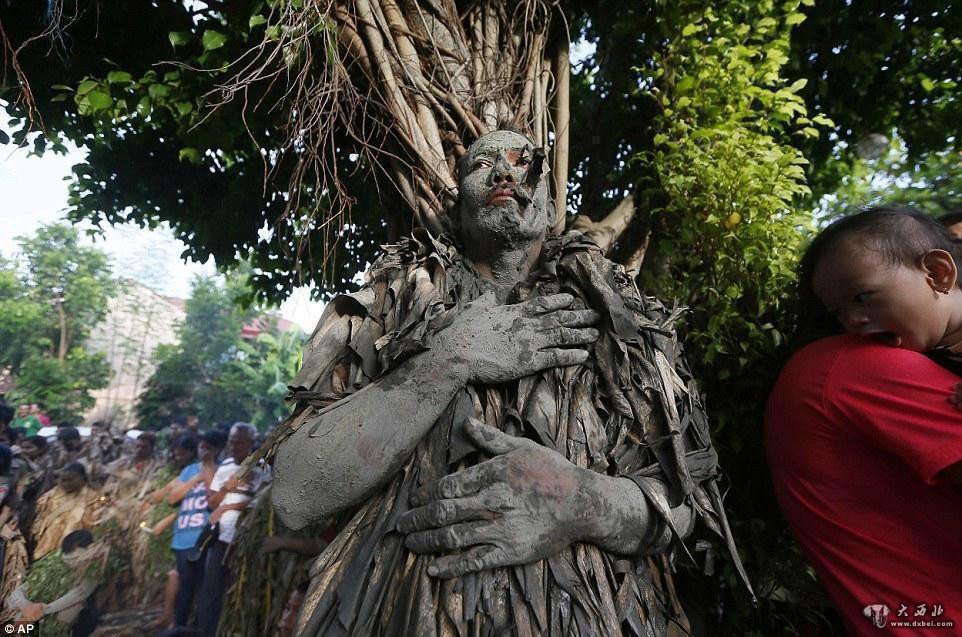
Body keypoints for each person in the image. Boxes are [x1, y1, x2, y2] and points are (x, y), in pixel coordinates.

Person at [273, 129, 745, 635]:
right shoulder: (388, 303)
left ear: (551, 204)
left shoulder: (622, 316)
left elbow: (685, 505)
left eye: (523, 162)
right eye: (482, 165)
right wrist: (448, 359)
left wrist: (579, 501)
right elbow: (295, 492)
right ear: (458, 209)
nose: (503, 171)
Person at [766, 208, 962, 636]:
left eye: (863, 297)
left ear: (937, 273)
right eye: (839, 312)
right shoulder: (865, 367)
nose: (853, 322)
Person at [195, 422, 270, 635]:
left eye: (239, 443)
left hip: (245, 538)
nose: (234, 447)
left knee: (235, 589)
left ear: (251, 443)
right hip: (220, 537)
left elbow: (262, 503)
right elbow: (212, 503)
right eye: (231, 442)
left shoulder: (262, 468)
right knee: (211, 590)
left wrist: (229, 506)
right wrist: (227, 489)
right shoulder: (225, 466)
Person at [166, 430, 225, 630]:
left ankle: (198, 629)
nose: (203, 450)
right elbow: (172, 498)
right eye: (201, 446)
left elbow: (213, 498)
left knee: (203, 589)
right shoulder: (189, 470)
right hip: (183, 537)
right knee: (185, 588)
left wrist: (207, 468)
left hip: (204, 538)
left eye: (208, 447)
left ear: (218, 449)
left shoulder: (222, 470)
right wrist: (196, 478)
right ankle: (179, 628)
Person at [4, 529, 106, 636]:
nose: (71, 562)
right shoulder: (52, 564)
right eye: (68, 558)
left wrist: (38, 612)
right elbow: (19, 592)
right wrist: (26, 606)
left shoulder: (92, 569)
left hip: (71, 625)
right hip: (34, 617)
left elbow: (76, 596)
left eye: (76, 558)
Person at [30, 462, 102, 560]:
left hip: (76, 547)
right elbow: (41, 519)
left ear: (82, 478)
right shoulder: (51, 496)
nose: (66, 483)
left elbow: (96, 522)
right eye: (63, 480)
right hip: (48, 544)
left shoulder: (93, 497)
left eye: (70, 480)